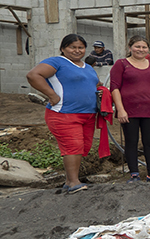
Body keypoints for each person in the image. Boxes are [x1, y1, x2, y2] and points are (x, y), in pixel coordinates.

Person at [27, 34, 101, 193]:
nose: (77, 50)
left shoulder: (87, 67)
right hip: (64, 113)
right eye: (72, 47)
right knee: (73, 147)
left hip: (88, 115)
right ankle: (74, 182)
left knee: (82, 147)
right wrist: (52, 95)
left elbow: (97, 85)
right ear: (63, 48)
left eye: (80, 47)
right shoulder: (57, 62)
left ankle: (69, 181)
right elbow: (33, 75)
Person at [110, 36, 150, 184]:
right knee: (131, 141)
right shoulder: (121, 64)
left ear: (148, 49)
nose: (141, 50)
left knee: (149, 142)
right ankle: (134, 175)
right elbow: (114, 88)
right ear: (130, 48)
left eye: (144, 47)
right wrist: (120, 109)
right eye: (137, 46)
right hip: (129, 111)